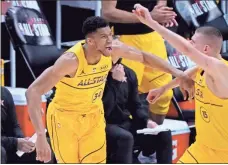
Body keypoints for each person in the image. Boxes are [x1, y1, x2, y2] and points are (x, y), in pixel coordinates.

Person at [25, 16, 193, 163]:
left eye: (110, 35)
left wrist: (179, 74)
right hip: (65, 118)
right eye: (104, 37)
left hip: (93, 115)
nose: (110, 41)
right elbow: (32, 91)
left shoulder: (113, 51)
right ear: (90, 41)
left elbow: (145, 57)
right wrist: (40, 136)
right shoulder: (70, 61)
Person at [133, 4, 228, 163]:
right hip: (203, 148)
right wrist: (163, 88)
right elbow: (188, 74)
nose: (189, 43)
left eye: (193, 41)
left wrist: (151, 23)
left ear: (205, 49)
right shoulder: (201, 69)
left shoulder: (221, 70)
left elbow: (186, 50)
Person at [102, 0, 178, 125]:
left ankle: (154, 135)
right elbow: (108, 12)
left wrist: (161, 11)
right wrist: (148, 17)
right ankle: (130, 140)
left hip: (152, 36)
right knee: (125, 96)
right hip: (125, 38)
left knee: (163, 95)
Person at [102, 60, 173, 164]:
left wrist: (146, 121)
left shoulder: (129, 73)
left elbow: (135, 106)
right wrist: (115, 82)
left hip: (125, 123)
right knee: (126, 137)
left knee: (163, 133)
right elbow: (105, 109)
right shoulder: (98, 75)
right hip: (104, 123)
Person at [1, 86, 54, 164]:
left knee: (45, 144)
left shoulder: (4, 93)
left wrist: (24, 141)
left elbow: (14, 125)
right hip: (5, 145)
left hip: (8, 143)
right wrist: (16, 142)